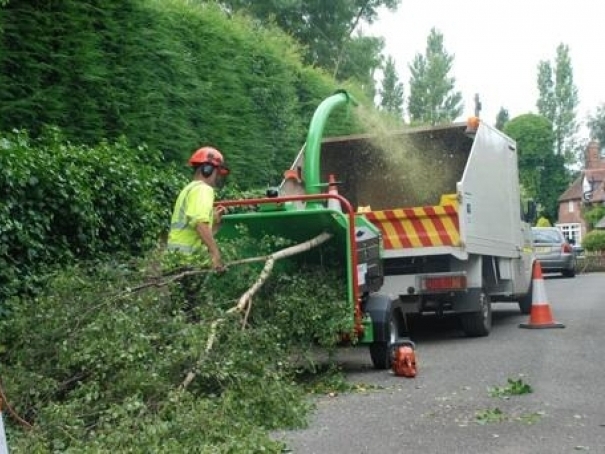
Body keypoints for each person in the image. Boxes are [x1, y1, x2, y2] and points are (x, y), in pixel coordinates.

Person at [167, 146, 230, 271]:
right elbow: (200, 224)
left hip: (176, 259)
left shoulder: (189, 188)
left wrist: (215, 221)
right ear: (208, 169)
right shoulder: (203, 189)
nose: (218, 177)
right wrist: (215, 254)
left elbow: (194, 228)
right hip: (188, 261)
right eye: (217, 172)